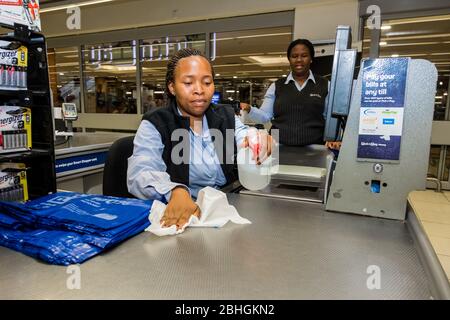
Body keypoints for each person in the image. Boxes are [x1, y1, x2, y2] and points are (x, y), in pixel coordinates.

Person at [127, 48, 272, 230]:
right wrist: (174, 191)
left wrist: (257, 138)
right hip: (182, 213)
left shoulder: (224, 115)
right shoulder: (156, 123)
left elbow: (243, 135)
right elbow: (140, 173)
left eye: (207, 82)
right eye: (188, 82)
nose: (199, 90)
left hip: (224, 205)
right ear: (172, 87)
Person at [241, 39, 335, 148]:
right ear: (289, 59)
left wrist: (334, 139)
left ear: (311, 59)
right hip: (278, 148)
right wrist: (249, 109)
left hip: (315, 149)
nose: (299, 60)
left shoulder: (325, 85)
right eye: (294, 56)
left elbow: (331, 119)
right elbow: (265, 116)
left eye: (304, 56)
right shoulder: (277, 86)